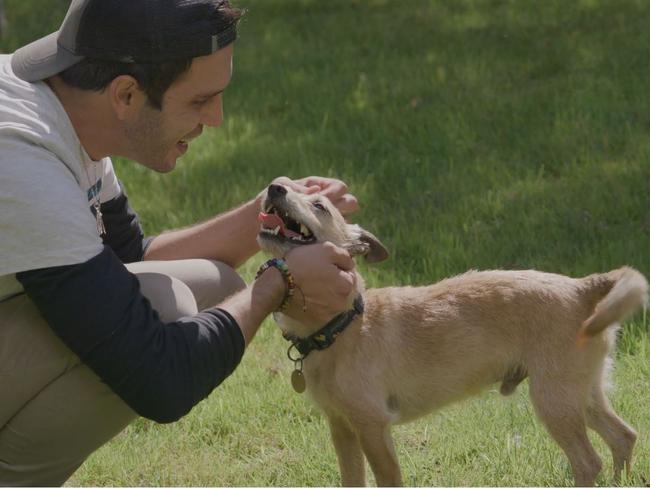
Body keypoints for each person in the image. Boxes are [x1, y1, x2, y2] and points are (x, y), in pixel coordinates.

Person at [0, 0, 359, 485]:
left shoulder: (67, 110)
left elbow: (128, 260)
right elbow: (160, 382)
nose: (216, 119)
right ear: (126, 94)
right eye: (199, 100)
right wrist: (280, 280)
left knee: (211, 282)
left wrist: (267, 212)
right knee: (162, 304)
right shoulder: (25, 157)